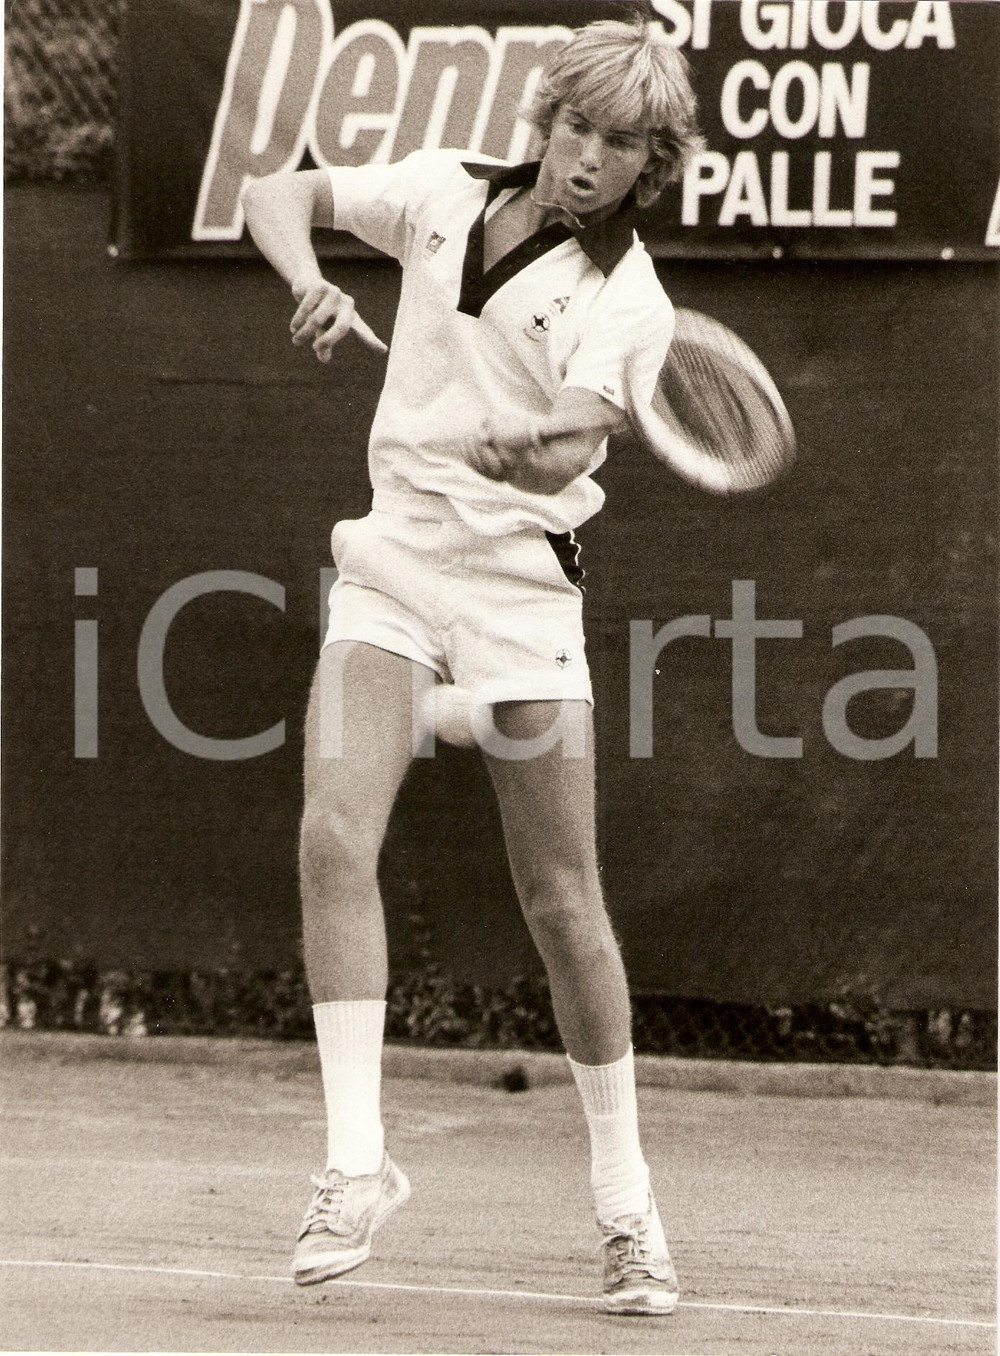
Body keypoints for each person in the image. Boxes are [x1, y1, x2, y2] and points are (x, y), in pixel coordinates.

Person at [242, 12, 703, 1317]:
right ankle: (353, 1165)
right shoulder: (442, 188)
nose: (586, 158)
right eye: (575, 126)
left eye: (619, 145)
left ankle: (628, 1207)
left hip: (519, 596)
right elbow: (278, 191)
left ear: (646, 162)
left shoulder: (628, 296)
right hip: (392, 565)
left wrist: (534, 453)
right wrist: (307, 280)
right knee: (334, 836)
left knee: (564, 907)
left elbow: (576, 442)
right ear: (546, 116)